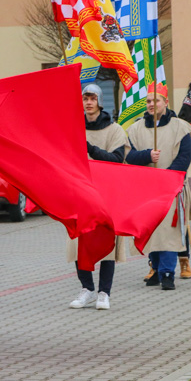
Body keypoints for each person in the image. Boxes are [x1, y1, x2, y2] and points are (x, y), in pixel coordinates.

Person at [126, 83, 191, 290]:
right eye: (148, 101)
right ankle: (156, 268)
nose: (151, 104)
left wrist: (166, 179)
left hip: (171, 188)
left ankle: (168, 273)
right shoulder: (135, 129)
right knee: (151, 230)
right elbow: (128, 156)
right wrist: (147, 155)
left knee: (168, 231)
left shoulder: (180, 127)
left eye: (155, 100)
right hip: (146, 188)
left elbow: (184, 157)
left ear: (165, 103)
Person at [68, 83, 130, 310]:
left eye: (92, 98)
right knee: (79, 242)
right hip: (80, 193)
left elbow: (115, 159)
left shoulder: (115, 130)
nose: (88, 102)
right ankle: (87, 288)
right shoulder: (73, 128)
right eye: (85, 98)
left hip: (106, 194)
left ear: (100, 101)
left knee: (107, 244)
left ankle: (104, 292)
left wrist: (89, 148)